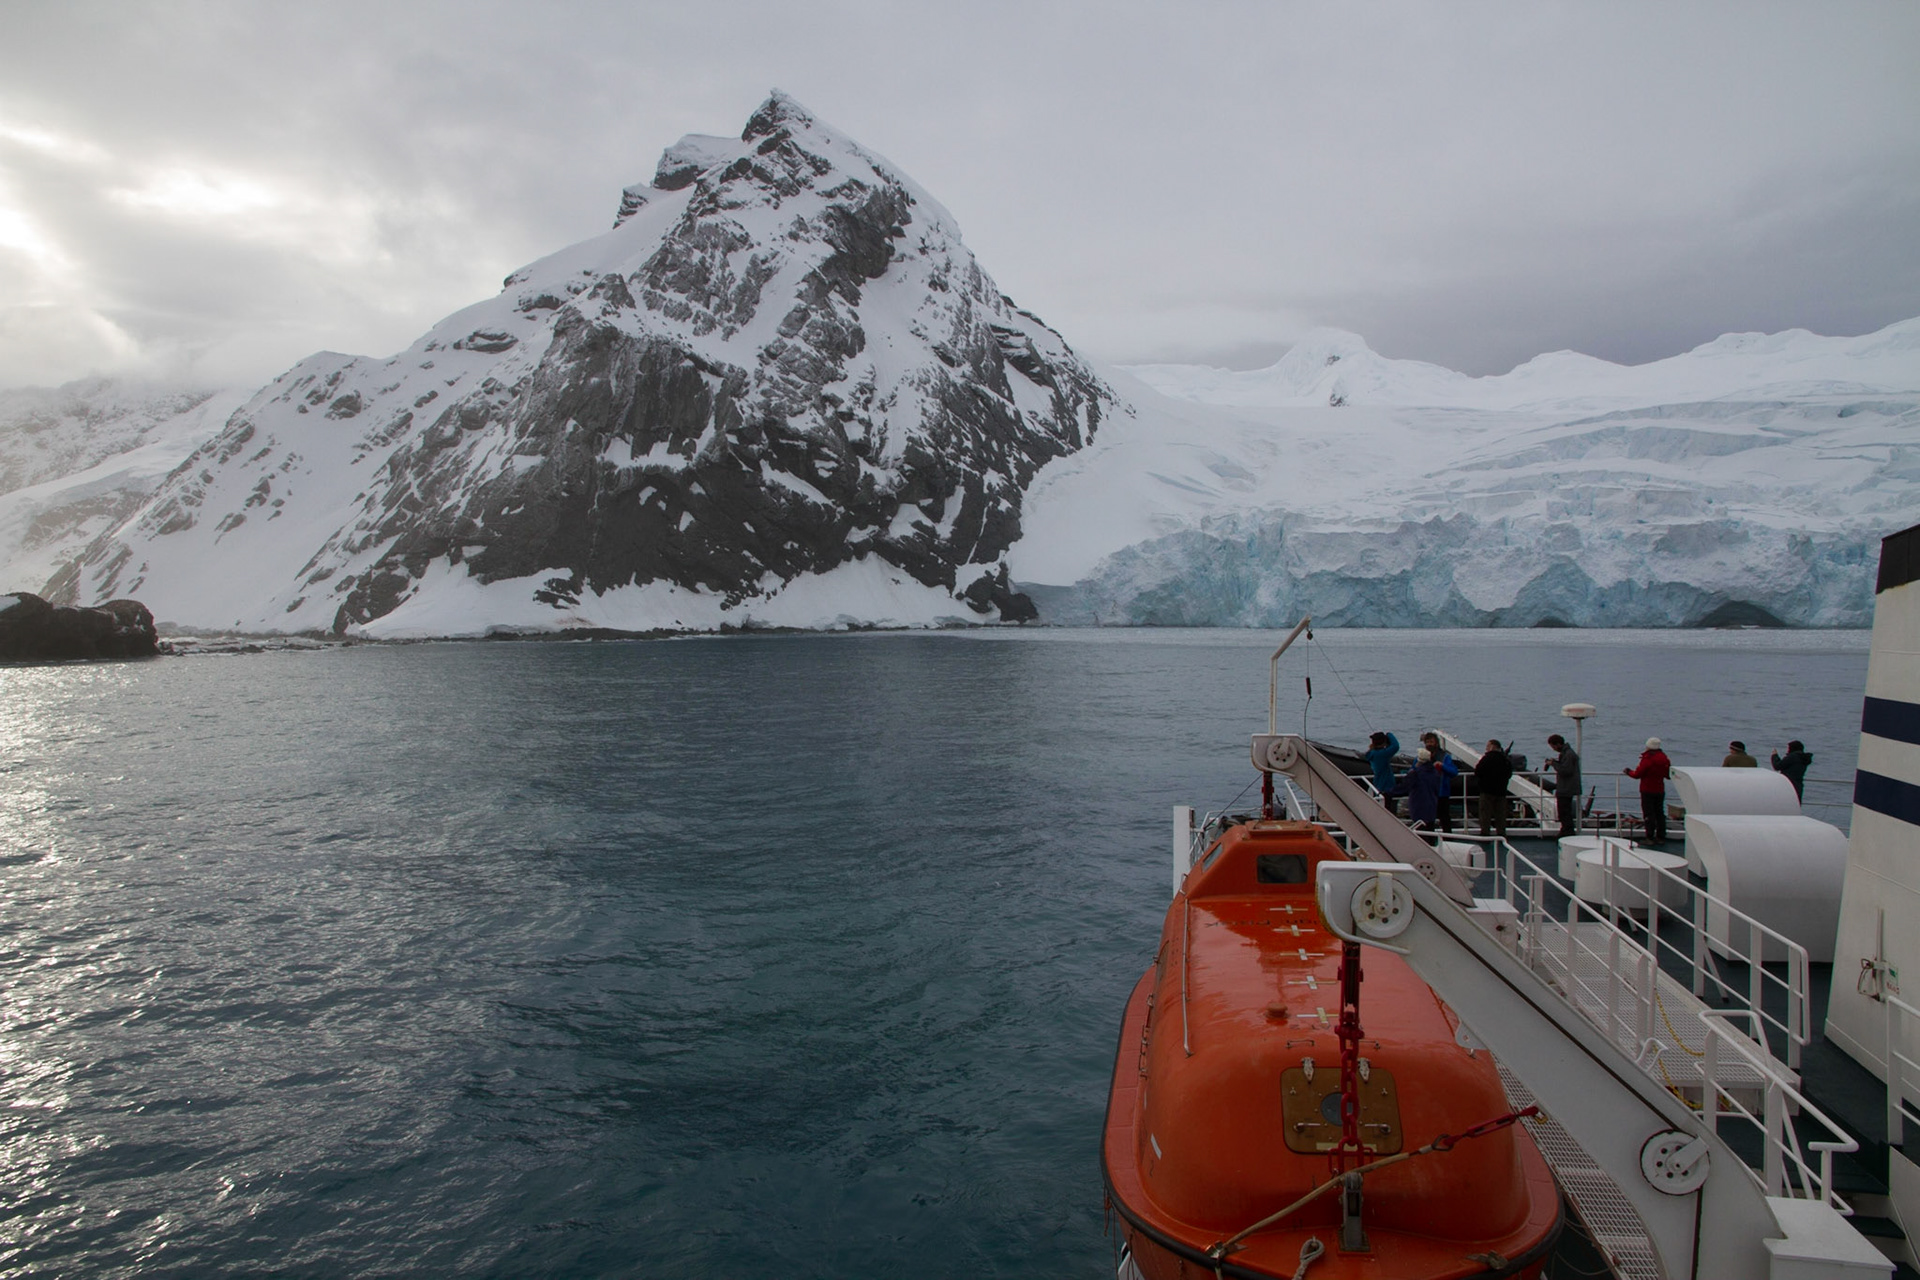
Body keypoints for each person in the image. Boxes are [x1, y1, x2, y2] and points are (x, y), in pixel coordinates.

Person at [1624, 737, 1673, 843]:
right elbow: (1668, 774)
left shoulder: (1648, 759)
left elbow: (1638, 774)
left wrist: (1628, 772)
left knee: (1649, 814)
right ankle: (1661, 836)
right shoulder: (1664, 758)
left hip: (1647, 789)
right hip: (1659, 789)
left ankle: (1649, 837)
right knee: (1659, 813)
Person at [1389, 748, 1447, 829]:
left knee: (1420, 829)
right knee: (1430, 829)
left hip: (1418, 805)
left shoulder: (1415, 774)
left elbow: (1404, 787)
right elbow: (1437, 789)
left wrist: (1390, 792)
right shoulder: (1435, 773)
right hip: (1432, 805)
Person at [1420, 732, 1460, 833]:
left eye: (1431, 742)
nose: (1429, 744)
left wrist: (1442, 766)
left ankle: (1448, 839)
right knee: (1428, 819)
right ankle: (1430, 840)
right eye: (1427, 742)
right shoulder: (1421, 756)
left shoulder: (1444, 757)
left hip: (1442, 793)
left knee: (1444, 818)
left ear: (1436, 743)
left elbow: (1454, 772)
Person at [1473, 739, 1514, 838]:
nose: (1486, 748)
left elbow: (1478, 771)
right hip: (1501, 791)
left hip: (1487, 791)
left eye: (1488, 746)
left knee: (1485, 814)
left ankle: (1485, 833)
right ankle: (1501, 833)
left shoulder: (1487, 758)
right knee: (1500, 815)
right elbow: (1509, 773)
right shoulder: (1504, 760)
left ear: (1492, 747)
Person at [1545, 734, 1581, 839]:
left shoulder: (1569, 755)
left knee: (1564, 812)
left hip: (1566, 788)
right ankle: (1565, 831)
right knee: (1563, 812)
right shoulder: (1566, 754)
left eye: (1553, 746)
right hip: (1565, 787)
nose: (1554, 749)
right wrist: (1556, 762)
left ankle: (1567, 832)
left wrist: (1554, 764)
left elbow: (1566, 771)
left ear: (1558, 744)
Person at [1364, 731, 1400, 802]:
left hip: (1378, 784)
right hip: (1385, 786)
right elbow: (1395, 746)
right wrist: (1389, 734)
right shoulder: (1382, 754)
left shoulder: (1372, 753)